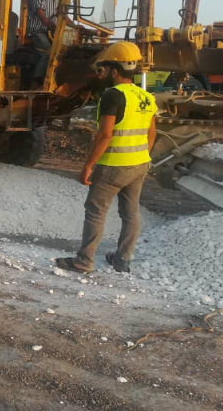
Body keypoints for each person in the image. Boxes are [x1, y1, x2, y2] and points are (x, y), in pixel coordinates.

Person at [55, 42, 158, 274]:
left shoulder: (112, 95)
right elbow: (152, 133)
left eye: (106, 68)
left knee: (96, 211)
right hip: (139, 164)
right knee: (131, 213)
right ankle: (122, 260)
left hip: (113, 166)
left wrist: (88, 166)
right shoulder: (146, 96)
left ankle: (84, 260)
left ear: (114, 70)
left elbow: (104, 135)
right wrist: (143, 156)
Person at [26, 0, 96, 84]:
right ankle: (36, 81)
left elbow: (61, 15)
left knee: (65, 52)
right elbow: (40, 14)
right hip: (38, 31)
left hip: (51, 32)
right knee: (49, 54)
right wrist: (51, 25)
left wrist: (76, 27)